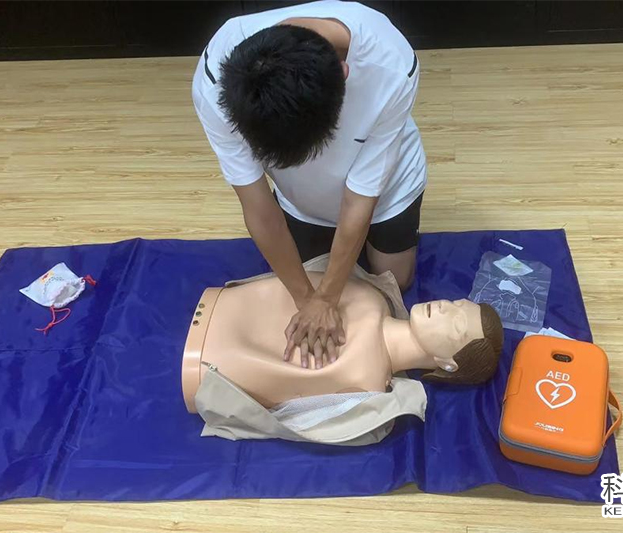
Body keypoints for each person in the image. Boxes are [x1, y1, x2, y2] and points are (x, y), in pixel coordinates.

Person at [192, 1, 427, 370]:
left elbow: (359, 198)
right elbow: (259, 208)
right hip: (299, 199)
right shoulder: (217, 82)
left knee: (394, 282)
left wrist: (327, 298)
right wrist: (307, 299)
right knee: (300, 288)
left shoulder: (391, 66)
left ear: (344, 73)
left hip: (386, 188)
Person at [181, 258, 503, 411]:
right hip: (224, 305)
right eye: (456, 303)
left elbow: (285, 400)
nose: (445, 306)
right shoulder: (372, 296)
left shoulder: (367, 383)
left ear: (448, 363)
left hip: (204, 366)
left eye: (456, 325)